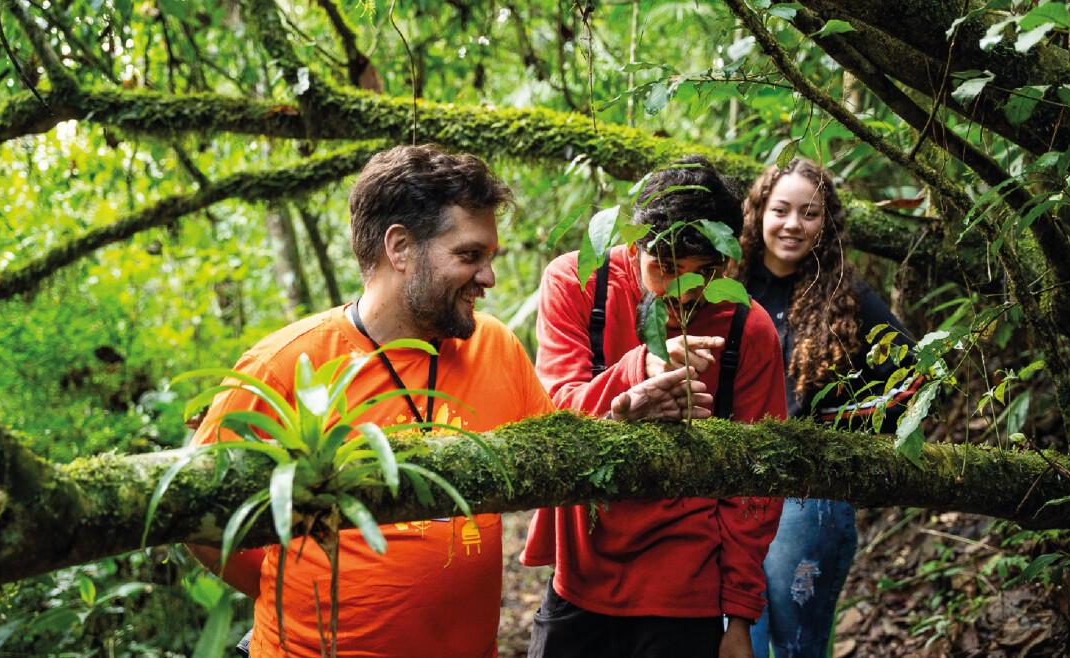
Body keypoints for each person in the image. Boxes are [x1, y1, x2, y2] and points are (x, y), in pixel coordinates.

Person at [189, 144, 558, 658]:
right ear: (400, 247)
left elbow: (561, 460)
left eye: (489, 258)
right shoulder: (287, 364)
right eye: (469, 255)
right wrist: (282, 587)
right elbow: (198, 520)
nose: (488, 277)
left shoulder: (494, 346)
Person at [520, 154, 787, 658]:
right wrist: (637, 370)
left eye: (705, 273)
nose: (682, 293)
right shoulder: (577, 282)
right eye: (665, 269)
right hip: (580, 572)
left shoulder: (748, 329)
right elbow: (552, 415)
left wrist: (740, 616)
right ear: (632, 246)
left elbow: (756, 480)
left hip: (685, 586)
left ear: (729, 261)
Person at [738, 157, 921, 658]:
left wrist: (844, 437)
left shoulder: (847, 296)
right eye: (781, 210)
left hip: (808, 500)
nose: (793, 224)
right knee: (738, 642)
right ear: (758, 213)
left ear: (826, 223)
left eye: (809, 213)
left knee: (796, 645)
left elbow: (918, 378)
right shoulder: (729, 285)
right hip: (729, 491)